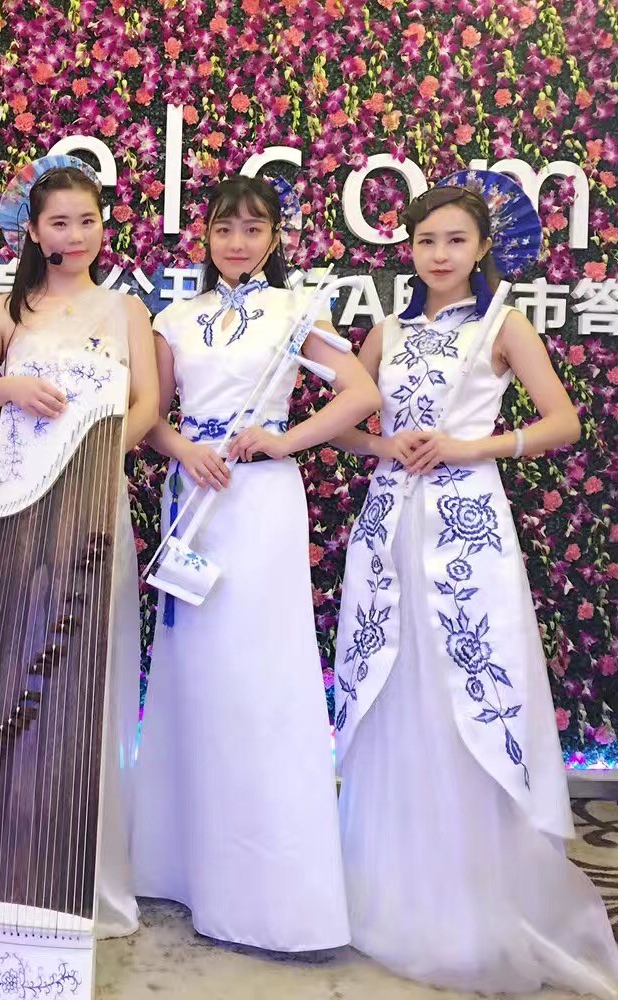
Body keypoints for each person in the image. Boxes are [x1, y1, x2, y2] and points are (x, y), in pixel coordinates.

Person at [330, 176, 618, 996]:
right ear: (408, 248)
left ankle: (476, 898)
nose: (439, 254)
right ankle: (388, 890)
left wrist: (473, 447)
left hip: (467, 527)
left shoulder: (504, 324)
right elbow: (345, 424)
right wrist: (383, 447)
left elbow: (564, 422)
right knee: (394, 688)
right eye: (426, 241)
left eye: (455, 240)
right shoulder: (386, 331)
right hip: (390, 525)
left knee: (468, 691)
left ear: (482, 247)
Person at [130, 175, 378, 954]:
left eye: (253, 228)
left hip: (263, 501)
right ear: (204, 236)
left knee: (262, 679)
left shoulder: (296, 310)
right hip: (195, 502)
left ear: (274, 236)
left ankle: (272, 891)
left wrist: (284, 440)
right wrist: (184, 450)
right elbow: (150, 415)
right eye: (224, 229)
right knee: (197, 675)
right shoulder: (174, 317)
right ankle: (183, 868)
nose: (238, 242)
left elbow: (359, 393)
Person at [0, 155, 158, 938]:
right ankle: (12, 856)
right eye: (59, 222)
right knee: (15, 672)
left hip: (92, 505)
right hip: (21, 510)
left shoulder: (127, 309)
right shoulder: (10, 309)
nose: (74, 235)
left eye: (87, 221)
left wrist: (98, 456)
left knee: (84, 679)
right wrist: (9, 387)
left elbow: (148, 404)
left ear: (104, 227)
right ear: (34, 231)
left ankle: (81, 866)